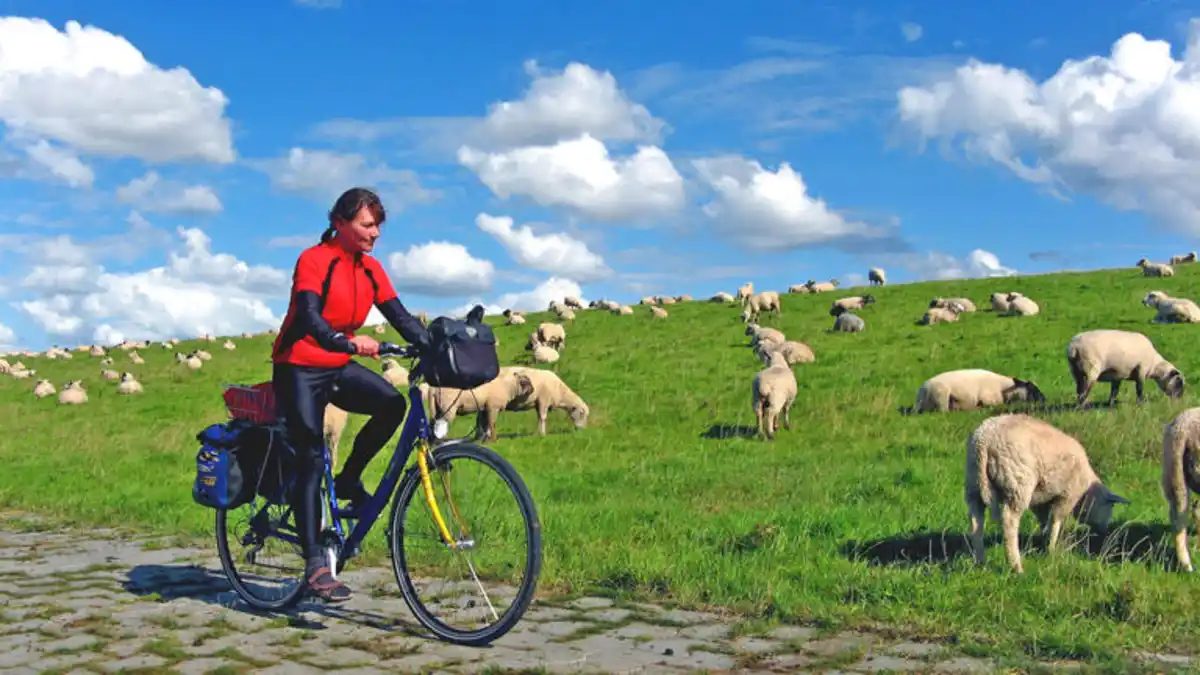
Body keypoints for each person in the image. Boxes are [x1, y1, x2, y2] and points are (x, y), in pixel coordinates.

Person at [270, 187, 431, 602]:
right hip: (299, 365)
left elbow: (399, 316)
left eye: (378, 224)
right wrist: (342, 341)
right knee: (308, 456)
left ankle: (347, 479)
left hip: (336, 364)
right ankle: (314, 566)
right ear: (340, 223)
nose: (375, 232)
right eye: (367, 224)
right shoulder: (314, 260)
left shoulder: (371, 269)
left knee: (392, 404)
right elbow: (307, 315)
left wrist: (433, 345)